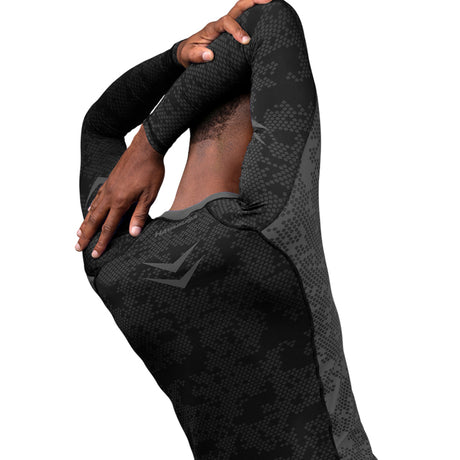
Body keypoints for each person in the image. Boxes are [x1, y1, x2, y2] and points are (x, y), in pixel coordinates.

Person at [77, 0, 377, 458]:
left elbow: (100, 126)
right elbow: (269, 19)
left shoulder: (114, 262)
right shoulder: (266, 222)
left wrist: (176, 62)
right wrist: (152, 138)